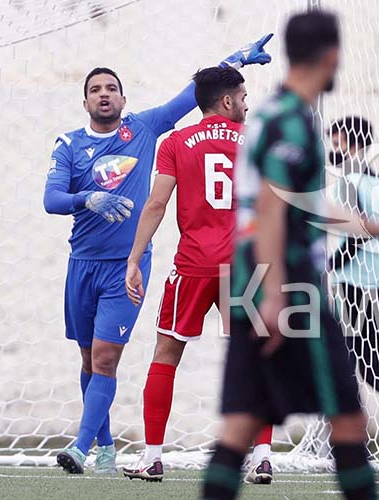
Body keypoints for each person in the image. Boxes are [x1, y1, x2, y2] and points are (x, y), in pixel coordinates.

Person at [200, 12, 379, 500]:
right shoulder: (293, 121)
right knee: (345, 413)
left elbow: (309, 205)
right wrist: (276, 292)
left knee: (241, 422)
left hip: (252, 278)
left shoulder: (274, 114)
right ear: (331, 54)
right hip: (287, 283)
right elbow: (275, 205)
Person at [43, 36, 273, 475]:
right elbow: (52, 198)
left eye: (111, 87)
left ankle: (115, 451)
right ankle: (108, 445)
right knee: (90, 357)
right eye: (95, 89)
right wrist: (86, 199)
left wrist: (234, 59)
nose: (104, 94)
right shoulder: (69, 144)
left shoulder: (154, 132)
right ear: (84, 101)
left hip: (169, 265)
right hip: (91, 263)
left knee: (132, 356)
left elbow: (188, 104)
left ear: (124, 98)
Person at [118, 66, 273, 483]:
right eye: (242, 96)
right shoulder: (255, 141)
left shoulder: (175, 142)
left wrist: (135, 257)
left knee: (166, 354)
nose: (246, 103)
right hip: (244, 263)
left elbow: (156, 204)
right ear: (226, 100)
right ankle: (260, 456)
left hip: (193, 263)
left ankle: (152, 456)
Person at [327, 116, 379, 399]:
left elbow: (361, 232)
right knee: (368, 364)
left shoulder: (350, 182)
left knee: (345, 362)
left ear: (354, 144)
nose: (331, 150)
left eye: (336, 143)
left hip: (355, 285)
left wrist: (330, 265)